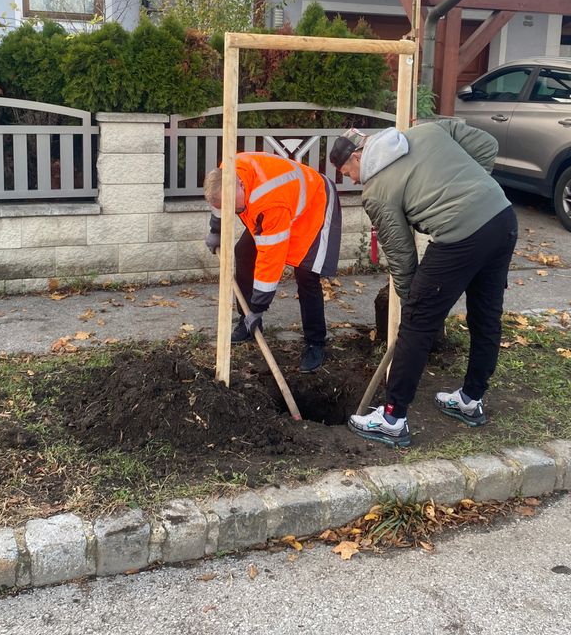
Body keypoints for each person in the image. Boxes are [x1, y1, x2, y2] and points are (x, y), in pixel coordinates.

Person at [329, 120, 517, 446]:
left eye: (347, 172)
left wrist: (411, 301)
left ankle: (392, 418)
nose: (350, 179)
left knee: (416, 326)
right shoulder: (426, 131)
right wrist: (472, 190)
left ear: (358, 156)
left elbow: (401, 254)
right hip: (501, 217)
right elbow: (487, 145)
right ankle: (471, 400)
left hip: (460, 237)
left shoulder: (377, 191)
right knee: (486, 316)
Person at [203, 152, 341, 372]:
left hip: (315, 204)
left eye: (233, 206)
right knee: (243, 252)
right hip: (285, 202)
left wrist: (258, 307)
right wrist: (216, 229)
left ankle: (315, 342)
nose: (233, 212)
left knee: (306, 274)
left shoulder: (269, 202)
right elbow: (220, 202)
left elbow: (270, 259)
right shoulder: (227, 171)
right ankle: (246, 321)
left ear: (240, 185)